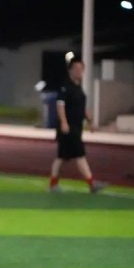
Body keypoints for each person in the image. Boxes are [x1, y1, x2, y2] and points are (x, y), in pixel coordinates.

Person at [49, 58, 107, 193]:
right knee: (79, 154)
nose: (79, 71)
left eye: (81, 69)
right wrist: (64, 122)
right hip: (68, 128)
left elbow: (82, 107)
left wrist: (90, 121)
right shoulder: (65, 86)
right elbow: (60, 105)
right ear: (70, 70)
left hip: (76, 126)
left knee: (62, 157)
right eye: (76, 68)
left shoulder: (78, 87)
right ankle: (92, 184)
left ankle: (53, 184)